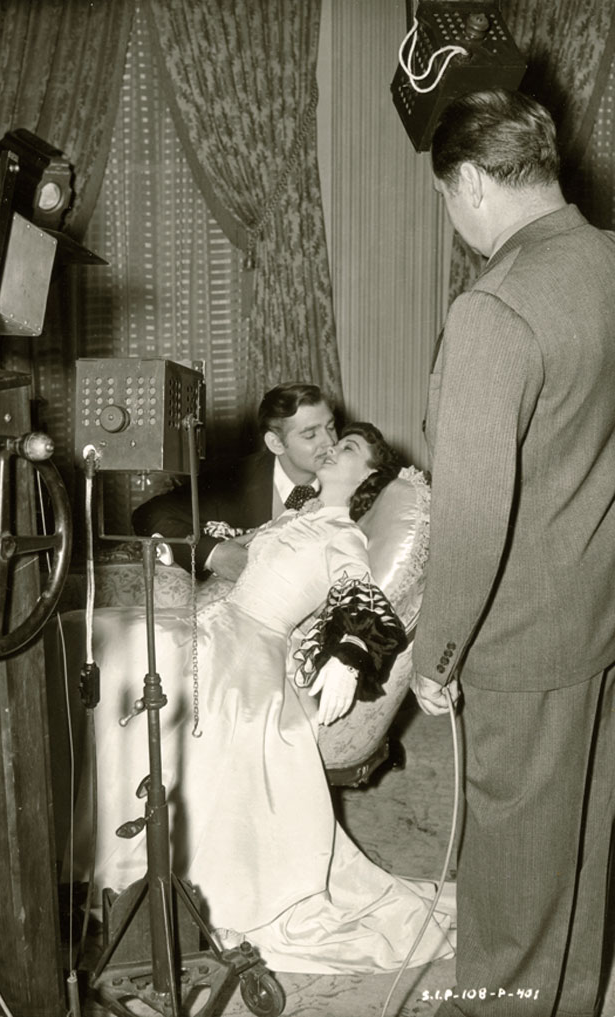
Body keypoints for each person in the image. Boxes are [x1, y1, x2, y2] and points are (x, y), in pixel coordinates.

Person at [62, 422, 456, 974]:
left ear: (369, 474)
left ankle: (130, 867)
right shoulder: (297, 517)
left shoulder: (341, 533)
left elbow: (362, 600)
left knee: (129, 655)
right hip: (212, 626)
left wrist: (348, 656)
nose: (330, 447)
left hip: (248, 649)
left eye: (346, 447)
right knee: (90, 638)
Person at [412, 88, 615, 1017]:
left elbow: (471, 511)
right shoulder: (606, 261)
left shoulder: (495, 307)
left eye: (447, 199)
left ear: (469, 182)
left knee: (508, 883)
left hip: (523, 638)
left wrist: (436, 652)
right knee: (580, 849)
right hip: (599, 615)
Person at [131, 382, 337, 581]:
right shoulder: (236, 478)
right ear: (275, 443)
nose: (330, 442)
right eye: (310, 435)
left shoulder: (353, 476)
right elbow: (150, 514)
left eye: (331, 427)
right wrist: (214, 554)